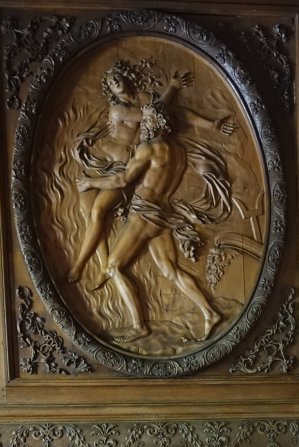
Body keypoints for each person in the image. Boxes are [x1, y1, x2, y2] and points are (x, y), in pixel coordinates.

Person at [76, 100, 223, 340]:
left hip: (144, 215)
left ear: (158, 121)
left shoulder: (150, 147)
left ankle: (139, 326)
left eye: (147, 119)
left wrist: (89, 182)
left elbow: (123, 179)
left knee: (113, 267)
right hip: (163, 216)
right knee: (170, 270)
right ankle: (209, 312)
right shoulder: (178, 150)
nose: (143, 124)